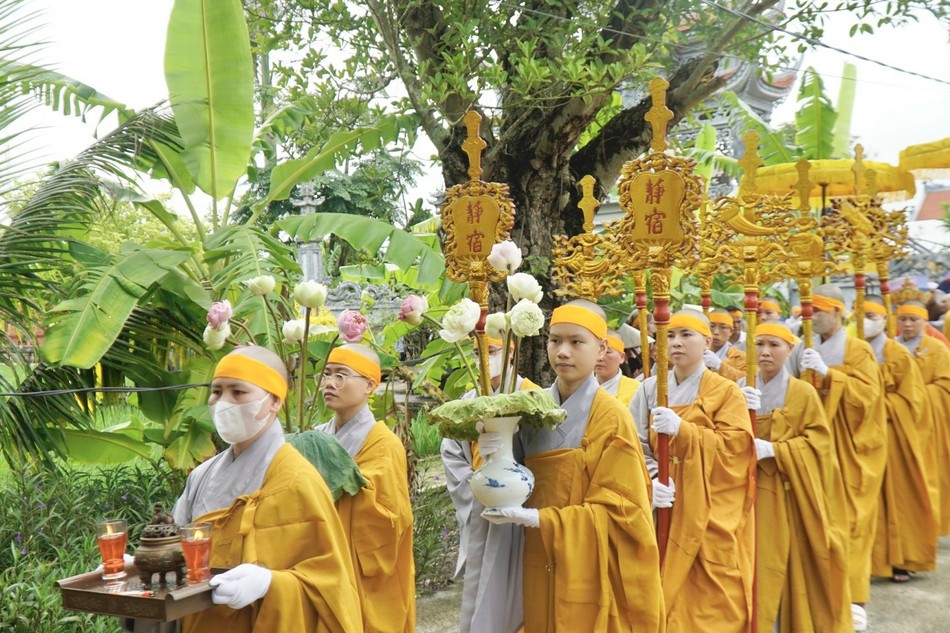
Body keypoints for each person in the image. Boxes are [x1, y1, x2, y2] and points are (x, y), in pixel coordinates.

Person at [478, 299, 665, 631]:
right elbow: (511, 476)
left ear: (601, 349)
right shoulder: (531, 409)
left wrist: (542, 518)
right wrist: (494, 449)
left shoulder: (611, 416)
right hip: (535, 553)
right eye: (555, 340)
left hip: (588, 561)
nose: (563, 351)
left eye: (576, 342)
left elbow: (624, 511)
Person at [172, 345, 363, 633]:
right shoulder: (200, 476)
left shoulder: (298, 481)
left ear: (274, 401)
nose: (223, 402)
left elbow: (330, 586)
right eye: (216, 391)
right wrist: (140, 566)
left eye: (238, 392)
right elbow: (178, 550)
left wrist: (270, 585)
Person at [629, 309, 754, 633]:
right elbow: (634, 445)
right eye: (670, 335)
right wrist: (652, 479)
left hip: (708, 504)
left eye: (687, 335)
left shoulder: (726, 391)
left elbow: (737, 451)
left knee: (712, 594)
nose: (676, 343)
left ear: (707, 342)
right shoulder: (648, 389)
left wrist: (685, 431)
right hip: (662, 501)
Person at [738, 322, 852, 633]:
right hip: (743, 493)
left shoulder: (802, 391)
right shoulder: (739, 387)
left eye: (774, 345)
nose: (764, 352)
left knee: (782, 562)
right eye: (759, 344)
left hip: (788, 492)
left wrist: (775, 450)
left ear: (790, 349)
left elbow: (819, 444)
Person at [786, 284, 886, 633]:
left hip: (846, 445)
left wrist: (832, 375)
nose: (811, 317)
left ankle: (853, 596)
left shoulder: (856, 349)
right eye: (808, 311)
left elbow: (870, 398)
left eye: (819, 310)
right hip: (812, 442)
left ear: (838, 312)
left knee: (850, 518)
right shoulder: (802, 347)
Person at [314, 344, 415, 633]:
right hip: (321, 562)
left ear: (370, 385)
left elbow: (390, 518)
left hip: (363, 570)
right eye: (328, 374)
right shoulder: (317, 437)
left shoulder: (384, 444)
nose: (330, 383)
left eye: (342, 375)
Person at [441, 335, 539, 632]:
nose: (482, 359)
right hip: (480, 509)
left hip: (523, 517)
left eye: (491, 351)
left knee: (517, 596)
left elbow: (546, 456)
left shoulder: (532, 396)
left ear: (510, 352)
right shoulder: (467, 403)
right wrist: (479, 483)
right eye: (475, 353)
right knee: (478, 590)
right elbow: (451, 454)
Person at [862, 298, 938, 584]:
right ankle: (865, 561)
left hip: (893, 437)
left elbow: (913, 401)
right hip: (856, 436)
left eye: (871, 315)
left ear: (883, 319)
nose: (907, 325)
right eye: (861, 315)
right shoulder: (854, 351)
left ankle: (898, 560)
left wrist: (875, 401)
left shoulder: (899, 354)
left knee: (896, 498)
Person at [896, 301, 950, 536]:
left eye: (914, 319)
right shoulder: (890, 348)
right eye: (903, 319)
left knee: (928, 477)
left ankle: (928, 526)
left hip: (927, 425)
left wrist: (914, 395)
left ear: (924, 322)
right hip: (896, 423)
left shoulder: (936, 349)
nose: (907, 324)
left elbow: (945, 386)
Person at [596, 329, 641, 405]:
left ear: (622, 357)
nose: (600, 358)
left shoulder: (636, 389)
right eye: (597, 352)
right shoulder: (579, 386)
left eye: (607, 352)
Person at [702, 308, 746, 382]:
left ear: (731, 331)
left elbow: (746, 380)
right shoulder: (695, 352)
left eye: (723, 327)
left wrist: (720, 366)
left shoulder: (741, 357)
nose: (716, 332)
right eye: (712, 326)